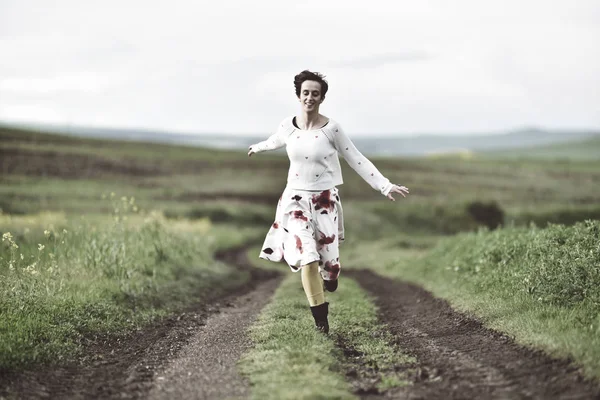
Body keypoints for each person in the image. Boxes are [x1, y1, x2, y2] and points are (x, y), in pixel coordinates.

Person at [248, 70, 409, 334]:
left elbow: (356, 158)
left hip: (324, 203)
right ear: (298, 95)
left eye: (315, 93)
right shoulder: (288, 125)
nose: (309, 98)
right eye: (305, 93)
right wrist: (258, 147)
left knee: (329, 266)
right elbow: (276, 140)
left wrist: (384, 185)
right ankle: (321, 323)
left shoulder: (332, 129)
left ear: (321, 97)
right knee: (308, 258)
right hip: (294, 202)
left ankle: (330, 275)